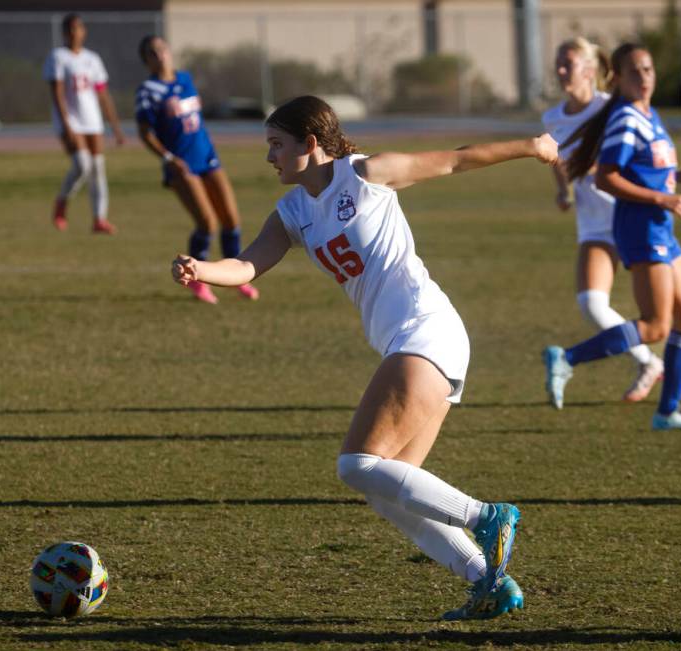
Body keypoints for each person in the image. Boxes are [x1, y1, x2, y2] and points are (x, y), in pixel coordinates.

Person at [171, 95, 559, 619]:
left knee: (355, 464)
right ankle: (489, 582)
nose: (270, 158)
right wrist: (202, 269)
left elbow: (456, 158)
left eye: (276, 146)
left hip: (427, 330)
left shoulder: (366, 174)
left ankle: (488, 515)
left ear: (310, 144)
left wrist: (533, 146)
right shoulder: (292, 212)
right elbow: (246, 265)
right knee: (389, 491)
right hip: (411, 342)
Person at [542, 42, 681, 432]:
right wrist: (662, 196)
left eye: (649, 70)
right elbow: (607, 176)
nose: (645, 77)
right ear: (620, 79)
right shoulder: (625, 119)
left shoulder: (649, 114)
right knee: (657, 325)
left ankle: (668, 411)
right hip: (640, 226)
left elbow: (647, 167)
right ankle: (567, 358)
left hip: (658, 224)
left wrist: (679, 178)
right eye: (635, 72)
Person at [137, 35, 258, 304]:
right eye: (152, 52)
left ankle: (237, 277)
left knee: (231, 219)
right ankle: (196, 280)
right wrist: (169, 158)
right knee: (207, 223)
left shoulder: (185, 79)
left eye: (162, 48)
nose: (160, 54)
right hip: (181, 165)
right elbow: (145, 133)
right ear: (146, 60)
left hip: (207, 157)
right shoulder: (148, 91)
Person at [44, 13, 126, 234]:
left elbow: (102, 94)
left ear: (84, 31)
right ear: (64, 32)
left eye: (78, 28)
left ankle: (99, 219)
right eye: (70, 29)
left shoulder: (92, 59)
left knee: (98, 168)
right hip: (71, 120)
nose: (74, 33)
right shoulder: (58, 57)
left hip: (92, 121)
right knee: (83, 164)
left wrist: (115, 127)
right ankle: (62, 202)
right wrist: (66, 124)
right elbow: (57, 93)